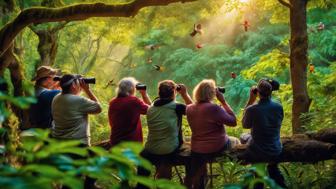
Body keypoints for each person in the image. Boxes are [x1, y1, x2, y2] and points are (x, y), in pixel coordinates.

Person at [185, 79, 239, 189]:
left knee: (199, 171)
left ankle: (200, 183)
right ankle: (233, 175)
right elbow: (233, 122)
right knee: (236, 140)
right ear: (211, 93)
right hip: (216, 147)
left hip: (197, 149)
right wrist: (223, 102)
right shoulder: (213, 108)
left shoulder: (189, 108)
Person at [140, 80, 193, 180]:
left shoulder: (151, 108)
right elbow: (195, 111)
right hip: (170, 149)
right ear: (174, 92)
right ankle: (190, 182)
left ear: (159, 93)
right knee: (193, 154)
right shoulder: (176, 107)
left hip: (150, 148)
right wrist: (185, 94)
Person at [241, 79, 286, 188]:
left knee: (243, 136)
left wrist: (251, 100)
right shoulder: (278, 106)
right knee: (273, 168)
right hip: (275, 148)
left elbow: (245, 125)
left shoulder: (252, 109)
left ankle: (258, 176)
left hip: (258, 150)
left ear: (257, 92)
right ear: (271, 92)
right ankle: (273, 170)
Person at [51, 74, 102, 146]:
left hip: (58, 141)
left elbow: (73, 100)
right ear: (73, 85)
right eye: (78, 83)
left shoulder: (56, 98)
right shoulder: (78, 100)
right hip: (77, 144)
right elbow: (98, 108)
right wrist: (87, 90)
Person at [108, 77, 151, 146]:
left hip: (115, 141)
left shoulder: (113, 102)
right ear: (131, 89)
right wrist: (144, 94)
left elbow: (111, 123)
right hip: (131, 143)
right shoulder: (133, 101)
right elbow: (152, 110)